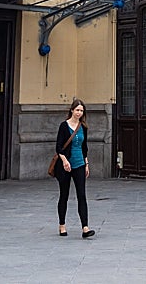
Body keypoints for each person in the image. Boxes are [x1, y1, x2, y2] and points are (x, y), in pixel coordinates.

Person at [53, 98, 94, 238]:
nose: (79, 113)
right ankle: (62, 225)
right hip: (65, 165)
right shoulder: (64, 126)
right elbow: (58, 147)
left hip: (79, 164)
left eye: (81, 111)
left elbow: (84, 147)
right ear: (72, 110)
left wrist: (86, 163)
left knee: (81, 195)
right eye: (77, 110)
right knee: (64, 195)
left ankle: (85, 227)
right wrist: (64, 161)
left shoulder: (83, 127)